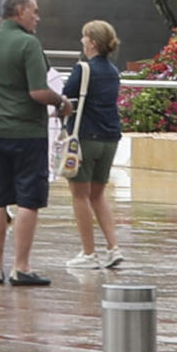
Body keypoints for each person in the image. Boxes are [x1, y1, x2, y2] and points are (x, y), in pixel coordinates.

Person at [0, 0, 71, 286]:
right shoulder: (28, 44)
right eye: (34, 11)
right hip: (26, 133)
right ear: (19, 12)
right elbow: (37, 91)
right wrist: (62, 102)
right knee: (27, 200)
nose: (38, 17)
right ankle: (21, 266)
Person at [61, 20, 125, 270]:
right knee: (98, 195)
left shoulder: (83, 69)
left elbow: (66, 98)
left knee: (79, 195)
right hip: (110, 138)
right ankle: (113, 247)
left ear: (93, 42)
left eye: (84, 37)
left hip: (85, 138)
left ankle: (89, 253)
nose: (81, 41)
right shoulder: (113, 72)